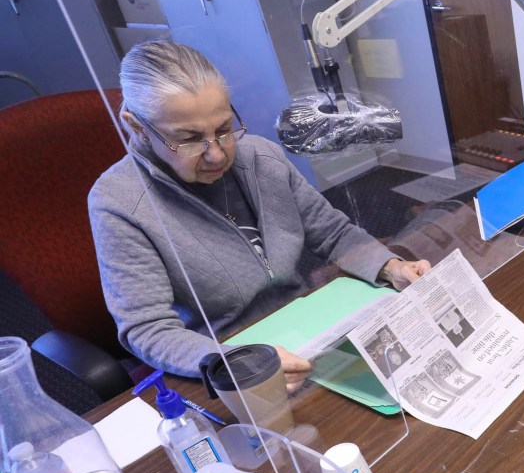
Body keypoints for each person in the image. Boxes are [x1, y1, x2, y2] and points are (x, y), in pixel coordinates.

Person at [89, 41, 430, 388]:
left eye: (224, 128)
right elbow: (148, 329)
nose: (217, 154)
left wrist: (391, 267)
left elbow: (334, 234)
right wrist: (237, 362)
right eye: (190, 139)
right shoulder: (119, 202)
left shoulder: (261, 157)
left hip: (309, 327)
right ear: (138, 127)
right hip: (230, 362)